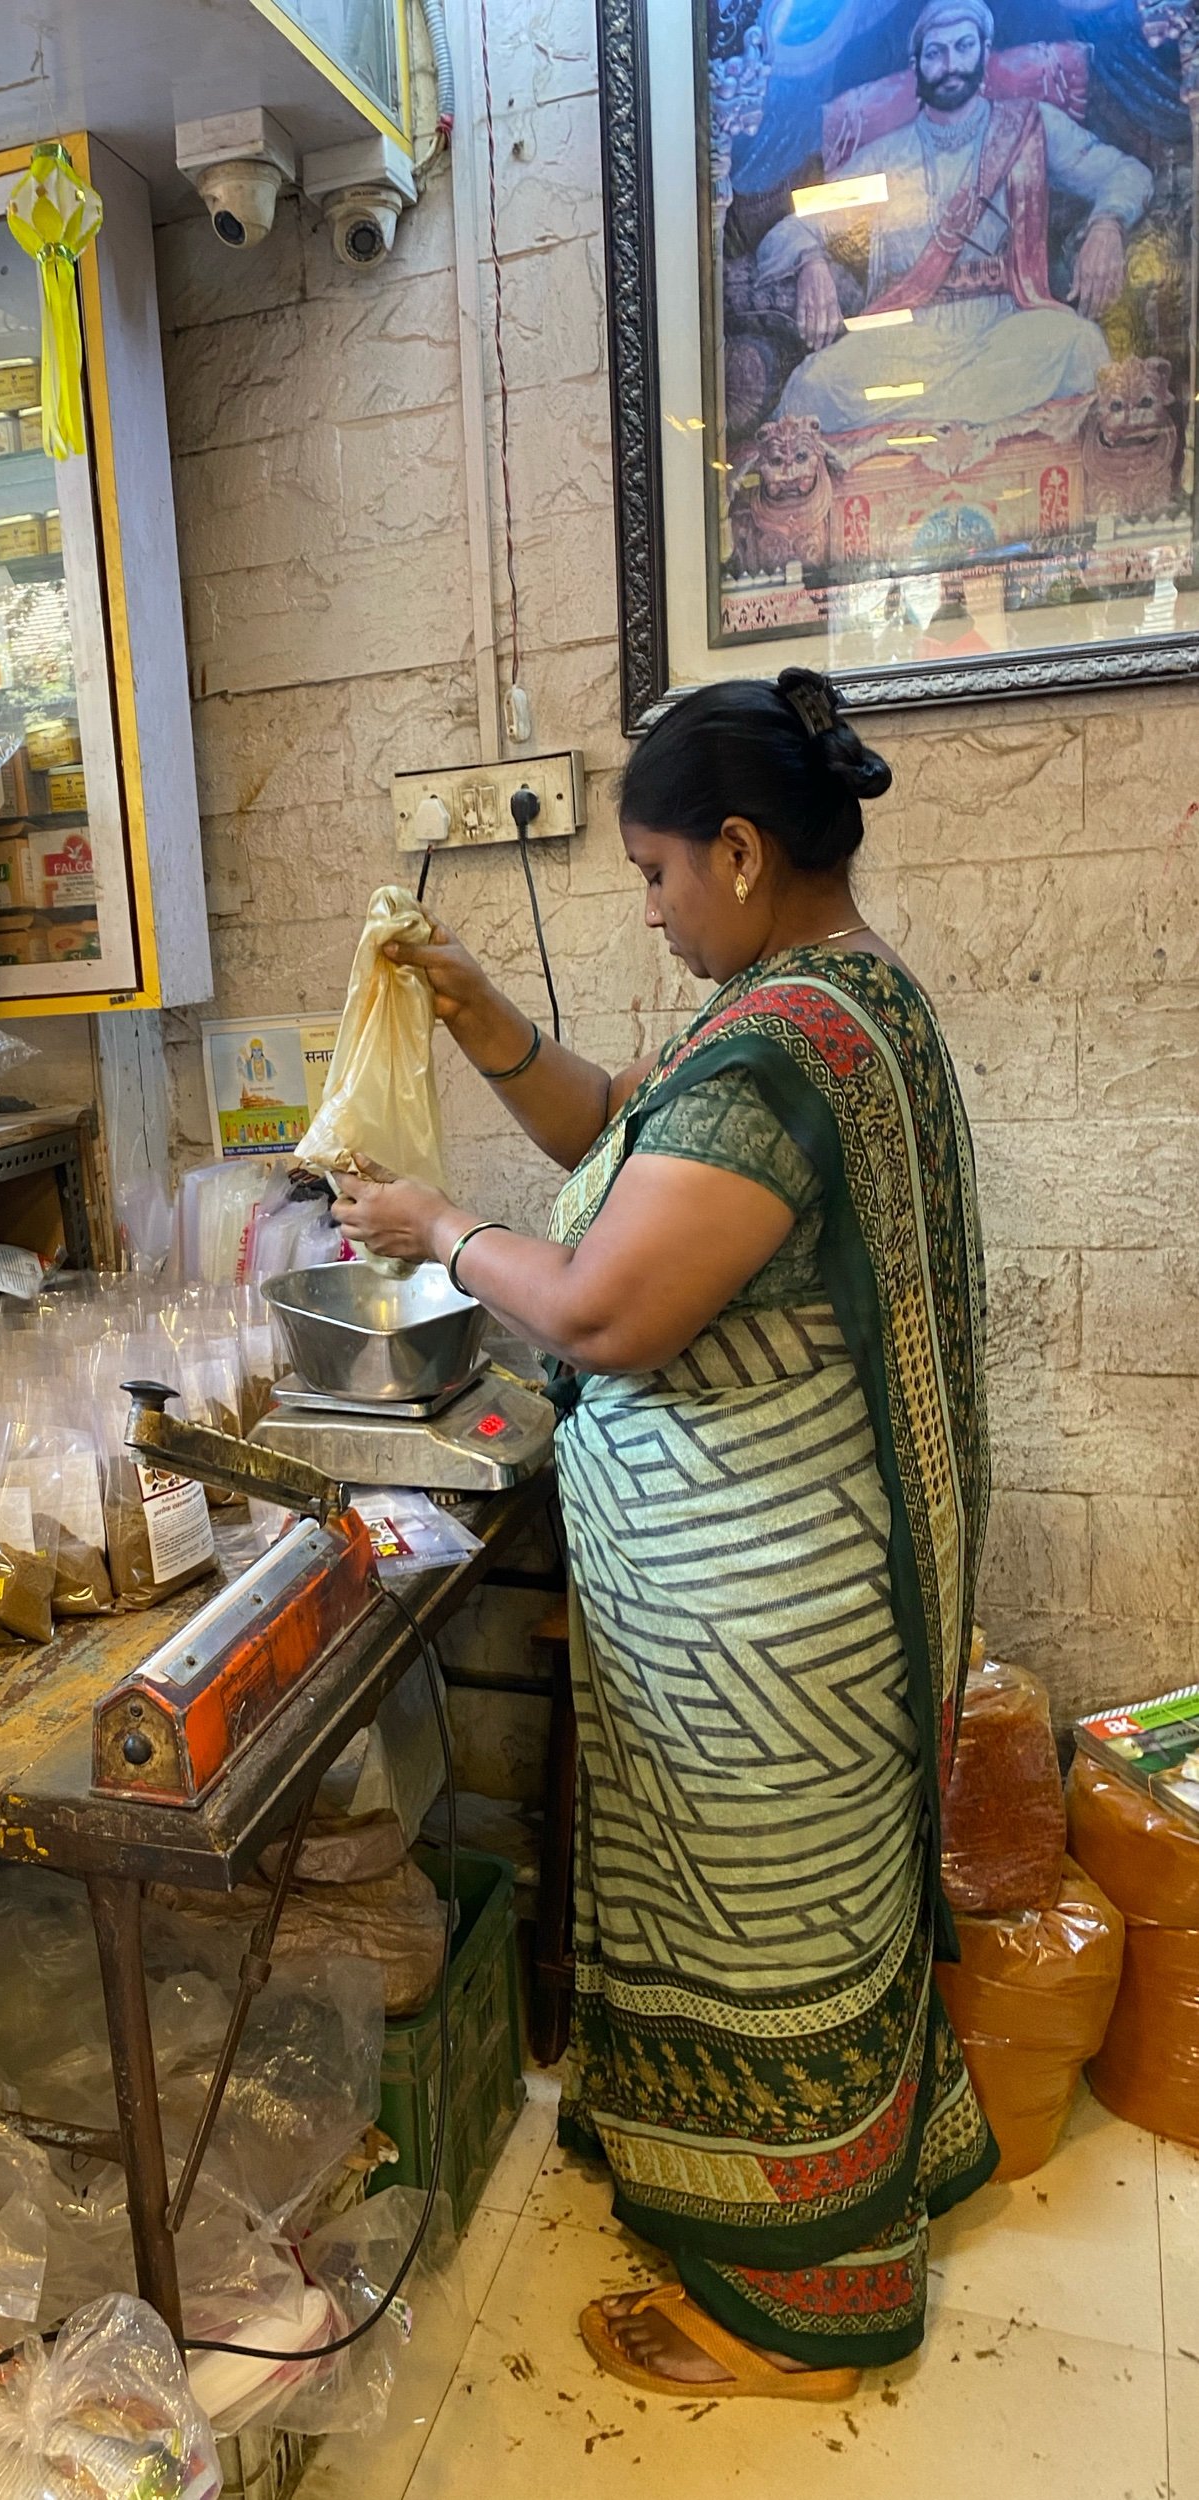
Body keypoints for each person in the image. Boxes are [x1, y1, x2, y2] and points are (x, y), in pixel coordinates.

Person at [333, 667, 996, 2399]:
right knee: (762, 1934)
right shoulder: (823, 1005)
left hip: (766, 1626)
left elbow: (610, 1307)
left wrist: (437, 1228)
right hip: (758, 1606)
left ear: (743, 850)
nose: (649, 906)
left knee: (765, 1935)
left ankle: (800, 2320)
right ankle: (782, 2204)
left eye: (655, 875)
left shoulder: (790, 1042)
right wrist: (482, 1022)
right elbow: (630, 1143)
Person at [757, 0, 1150, 436]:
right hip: (907, 342)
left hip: (1006, 332)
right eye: (935, 53)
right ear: (916, 66)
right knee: (813, 388)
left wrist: (1107, 223)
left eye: (963, 47)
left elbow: (1127, 174)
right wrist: (811, 261)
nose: (950, 65)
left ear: (984, 52)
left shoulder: (1030, 127)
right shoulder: (887, 158)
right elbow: (789, 229)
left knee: (1080, 346)